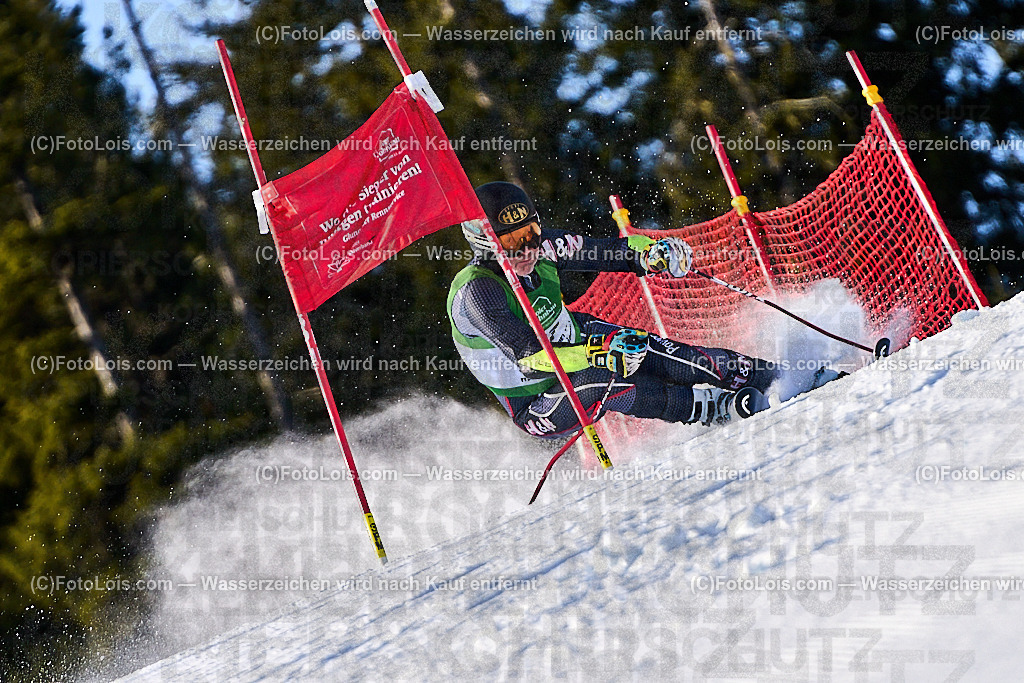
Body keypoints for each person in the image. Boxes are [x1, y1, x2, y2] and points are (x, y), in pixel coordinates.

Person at [447, 181, 778, 439]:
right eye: (512, 241)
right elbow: (531, 361)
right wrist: (598, 355)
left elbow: (612, 251)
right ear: (484, 243)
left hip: (575, 337)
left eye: (531, 232)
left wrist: (652, 253)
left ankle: (770, 377)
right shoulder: (477, 291)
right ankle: (710, 408)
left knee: (656, 352)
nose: (528, 248)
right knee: (601, 379)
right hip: (538, 404)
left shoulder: (545, 247)